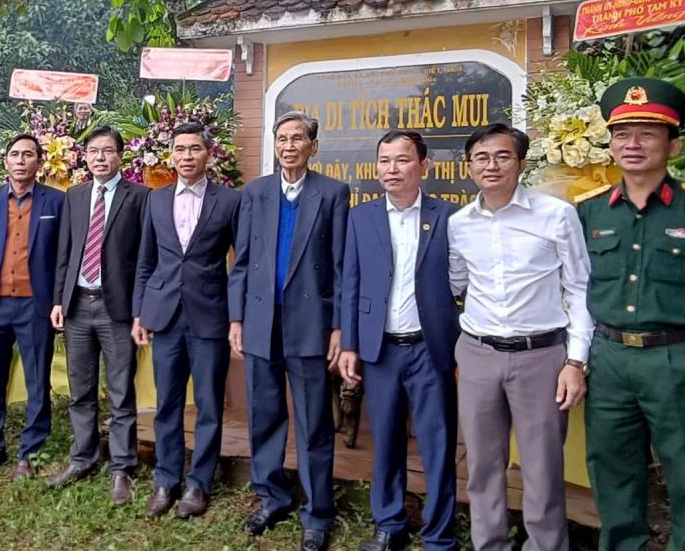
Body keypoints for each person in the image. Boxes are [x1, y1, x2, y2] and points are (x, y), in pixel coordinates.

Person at [576, 78, 685, 551]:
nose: (632, 144)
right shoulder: (590, 213)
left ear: (672, 144)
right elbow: (573, 288)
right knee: (612, 471)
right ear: (610, 144)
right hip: (609, 358)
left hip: (679, 359)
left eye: (647, 133)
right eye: (622, 134)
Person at [447, 123, 592, 551]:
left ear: (521, 163)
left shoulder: (556, 214)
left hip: (542, 357)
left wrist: (575, 360)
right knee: (482, 466)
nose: (491, 165)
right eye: (481, 157)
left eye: (502, 156)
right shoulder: (459, 224)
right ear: (469, 166)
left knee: (543, 468)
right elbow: (457, 281)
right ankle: (489, 543)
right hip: (477, 354)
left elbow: (581, 288)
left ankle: (545, 546)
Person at [227, 111, 349, 551]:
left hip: (310, 325)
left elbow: (339, 266)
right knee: (264, 414)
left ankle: (318, 513)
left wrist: (338, 326)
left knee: (314, 421)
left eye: (299, 139)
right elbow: (240, 263)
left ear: (313, 147)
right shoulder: (255, 193)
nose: (290, 146)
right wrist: (236, 319)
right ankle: (271, 495)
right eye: (282, 138)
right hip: (261, 322)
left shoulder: (333, 194)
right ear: (274, 145)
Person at [338, 131, 460, 551]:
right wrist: (350, 344)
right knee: (386, 441)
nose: (392, 169)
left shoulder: (449, 217)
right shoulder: (361, 217)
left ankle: (439, 535)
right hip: (380, 349)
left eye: (402, 160)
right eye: (384, 160)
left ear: (423, 166)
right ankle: (389, 524)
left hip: (431, 348)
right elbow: (349, 284)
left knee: (437, 444)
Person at [132, 122, 240, 519]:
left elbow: (240, 262)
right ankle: (166, 479)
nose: (187, 156)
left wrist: (237, 317)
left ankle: (199, 483)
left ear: (208, 153)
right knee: (168, 403)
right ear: (171, 155)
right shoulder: (155, 201)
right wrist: (140, 311)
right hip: (164, 315)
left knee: (209, 405)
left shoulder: (229, 202)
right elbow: (145, 261)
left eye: (194, 148)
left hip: (210, 315)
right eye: (180, 149)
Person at [46, 126, 149, 504]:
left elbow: (143, 259)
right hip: (77, 305)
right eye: (93, 151)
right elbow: (66, 253)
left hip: (116, 309)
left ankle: (122, 466)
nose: (100, 157)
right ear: (84, 157)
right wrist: (59, 299)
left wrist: (140, 310)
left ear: (121, 156)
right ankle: (82, 458)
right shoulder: (74, 196)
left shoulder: (139, 197)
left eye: (107, 151)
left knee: (121, 392)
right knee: (81, 389)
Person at [0, 134, 65, 481]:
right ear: (5, 161)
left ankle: (31, 449)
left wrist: (58, 301)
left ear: (40, 162)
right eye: (15, 155)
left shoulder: (56, 201)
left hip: (36, 305)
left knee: (37, 378)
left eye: (28, 155)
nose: (21, 161)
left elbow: (62, 257)